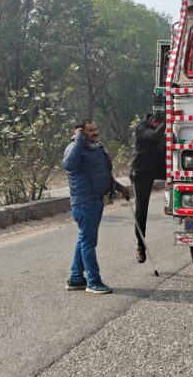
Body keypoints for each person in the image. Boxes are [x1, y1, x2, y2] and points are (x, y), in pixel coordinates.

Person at [63, 119, 129, 294]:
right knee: (88, 243)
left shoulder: (95, 148)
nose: (95, 133)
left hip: (95, 201)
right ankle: (93, 281)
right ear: (80, 132)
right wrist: (78, 139)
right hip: (84, 203)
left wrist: (119, 188)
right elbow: (69, 165)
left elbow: (103, 174)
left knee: (84, 240)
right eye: (90, 130)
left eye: (96, 129)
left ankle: (76, 278)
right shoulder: (74, 148)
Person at [130, 111, 166, 263]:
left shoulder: (160, 126)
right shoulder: (141, 128)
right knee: (141, 207)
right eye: (159, 125)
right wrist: (168, 121)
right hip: (142, 170)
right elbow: (155, 136)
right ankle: (140, 246)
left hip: (158, 167)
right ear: (154, 122)